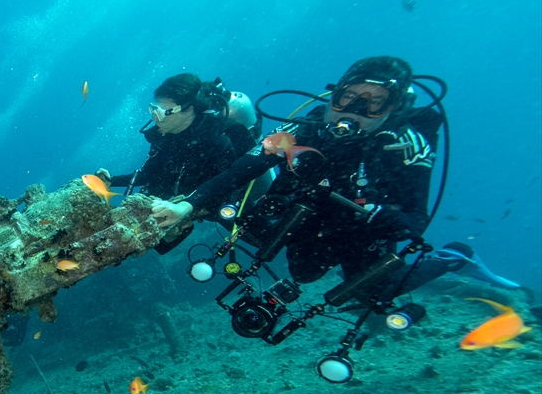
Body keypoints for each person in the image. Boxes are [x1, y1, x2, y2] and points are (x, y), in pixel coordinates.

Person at [150, 56, 515, 304]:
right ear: (333, 95)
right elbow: (242, 169)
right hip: (306, 217)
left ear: (393, 109)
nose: (353, 110)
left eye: (374, 103)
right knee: (302, 272)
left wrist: (376, 213)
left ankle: (455, 257)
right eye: (346, 97)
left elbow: (416, 219)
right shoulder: (303, 129)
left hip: (361, 229)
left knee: (374, 293)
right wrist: (189, 205)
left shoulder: (406, 146)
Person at [96, 73, 257, 253]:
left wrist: (189, 209)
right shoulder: (165, 137)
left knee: (264, 242)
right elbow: (148, 174)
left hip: (217, 206)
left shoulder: (218, 141)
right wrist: (111, 181)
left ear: (188, 110)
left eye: (160, 111)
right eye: (153, 109)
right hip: (182, 206)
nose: (154, 118)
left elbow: (228, 185)